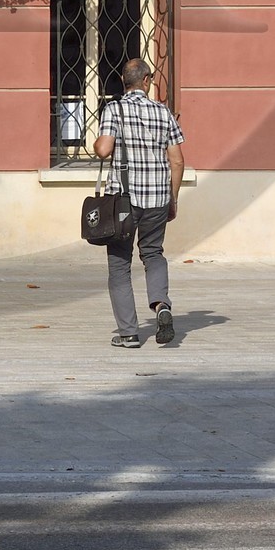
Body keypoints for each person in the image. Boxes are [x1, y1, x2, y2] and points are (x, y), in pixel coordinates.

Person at [94, 56, 185, 349]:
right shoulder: (163, 111)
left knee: (120, 263)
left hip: (124, 200)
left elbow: (103, 150)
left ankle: (129, 333)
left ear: (125, 82)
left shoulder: (114, 109)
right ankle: (161, 305)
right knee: (153, 254)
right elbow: (177, 161)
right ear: (146, 81)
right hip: (158, 198)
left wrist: (97, 143)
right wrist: (173, 198)